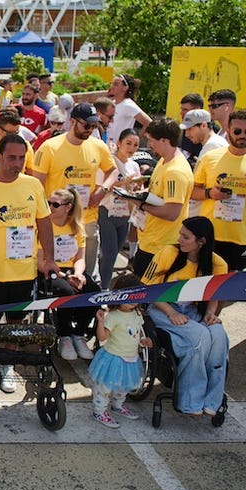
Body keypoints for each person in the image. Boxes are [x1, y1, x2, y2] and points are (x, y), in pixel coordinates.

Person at [0, 135, 57, 393]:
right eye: (12, 157)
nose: (17, 163)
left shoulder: (33, 186)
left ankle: (6, 368)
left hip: (24, 272)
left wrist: (48, 259)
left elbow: (44, 222)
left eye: (21, 158)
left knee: (17, 324)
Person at [142, 217, 230, 416]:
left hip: (194, 309)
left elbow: (213, 295)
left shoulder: (218, 264)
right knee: (200, 336)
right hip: (162, 307)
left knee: (219, 335)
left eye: (186, 237)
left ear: (202, 242)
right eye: (180, 234)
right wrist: (171, 312)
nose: (179, 239)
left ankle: (212, 401)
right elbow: (148, 289)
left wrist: (210, 313)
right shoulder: (168, 253)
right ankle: (190, 401)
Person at [33, 102, 118, 287]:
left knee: (85, 274)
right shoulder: (50, 147)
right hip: (55, 223)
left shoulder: (98, 146)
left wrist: (102, 189)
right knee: (52, 273)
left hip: (86, 220)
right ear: (72, 122)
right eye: (86, 125)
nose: (90, 130)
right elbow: (36, 185)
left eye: (94, 126)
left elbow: (113, 171)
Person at [192, 109, 246, 271]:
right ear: (228, 130)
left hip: (240, 238)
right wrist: (210, 193)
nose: (243, 136)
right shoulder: (210, 158)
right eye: (237, 131)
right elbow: (192, 191)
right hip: (209, 236)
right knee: (203, 288)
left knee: (229, 291)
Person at [40, 187, 100, 360]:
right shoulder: (44, 226)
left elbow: (80, 258)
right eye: (49, 203)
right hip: (49, 271)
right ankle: (64, 336)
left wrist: (79, 274)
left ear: (68, 207)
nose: (50, 207)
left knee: (93, 291)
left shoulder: (77, 228)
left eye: (55, 204)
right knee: (68, 292)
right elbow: (40, 261)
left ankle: (78, 334)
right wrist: (66, 277)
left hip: (71, 270)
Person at [130, 119, 193, 278]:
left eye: (152, 140)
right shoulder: (164, 161)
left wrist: (141, 205)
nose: (149, 144)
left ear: (165, 140)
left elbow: (172, 212)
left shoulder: (175, 171)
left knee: (146, 296)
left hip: (160, 247)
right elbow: (159, 194)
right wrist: (142, 192)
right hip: (151, 242)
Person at [89, 273, 152, 428]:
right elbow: (103, 337)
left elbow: (137, 333)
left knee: (123, 387)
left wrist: (144, 341)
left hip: (130, 358)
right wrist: (101, 322)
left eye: (136, 297)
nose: (133, 302)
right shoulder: (113, 316)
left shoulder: (137, 313)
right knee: (104, 388)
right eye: (129, 297)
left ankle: (118, 405)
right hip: (113, 358)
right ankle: (99, 411)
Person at [98, 128, 142, 288]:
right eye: (128, 143)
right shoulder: (109, 162)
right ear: (119, 143)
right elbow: (102, 186)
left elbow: (135, 190)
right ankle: (103, 289)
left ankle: (102, 277)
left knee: (114, 253)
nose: (131, 148)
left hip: (125, 214)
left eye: (136, 145)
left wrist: (137, 187)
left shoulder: (135, 165)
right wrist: (123, 182)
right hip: (107, 212)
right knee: (109, 255)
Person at [180, 109, 228, 216]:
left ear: (204, 125)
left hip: (205, 213)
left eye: (190, 129)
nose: (187, 134)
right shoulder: (210, 144)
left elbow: (214, 184)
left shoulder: (214, 145)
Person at [107, 74, 151, 145]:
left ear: (125, 88)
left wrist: (136, 139)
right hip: (109, 147)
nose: (112, 87)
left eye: (116, 84)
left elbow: (149, 122)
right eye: (112, 84)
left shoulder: (128, 105)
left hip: (120, 150)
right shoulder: (113, 103)